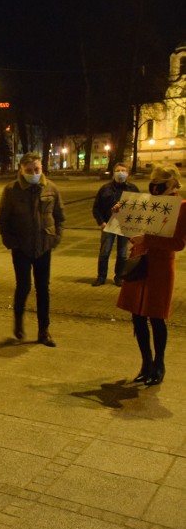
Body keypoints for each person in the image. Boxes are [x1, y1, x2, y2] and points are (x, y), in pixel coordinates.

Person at [116, 164, 186, 386]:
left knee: (156, 317)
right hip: (139, 262)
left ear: (173, 183)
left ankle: (159, 363)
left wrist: (147, 240)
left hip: (160, 267)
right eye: (153, 183)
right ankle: (145, 363)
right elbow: (133, 232)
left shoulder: (182, 206)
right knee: (137, 316)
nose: (155, 187)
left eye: (160, 183)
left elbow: (179, 243)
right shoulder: (145, 201)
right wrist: (121, 216)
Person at [0, 152, 65, 347]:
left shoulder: (51, 188)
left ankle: (44, 330)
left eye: (37, 169)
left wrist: (55, 238)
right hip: (21, 248)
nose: (34, 173)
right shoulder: (11, 190)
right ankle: (18, 321)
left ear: (41, 167)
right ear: (21, 169)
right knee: (23, 286)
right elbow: (3, 220)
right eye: (29, 170)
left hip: (44, 246)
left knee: (43, 289)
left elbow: (60, 216)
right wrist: (11, 242)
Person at [91, 162, 139, 286]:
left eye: (123, 170)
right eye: (118, 170)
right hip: (108, 225)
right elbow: (96, 208)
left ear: (128, 173)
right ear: (114, 173)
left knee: (122, 254)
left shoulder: (133, 189)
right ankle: (101, 277)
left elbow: (139, 208)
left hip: (124, 226)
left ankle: (119, 277)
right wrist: (101, 222)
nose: (120, 173)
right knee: (104, 252)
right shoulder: (105, 188)